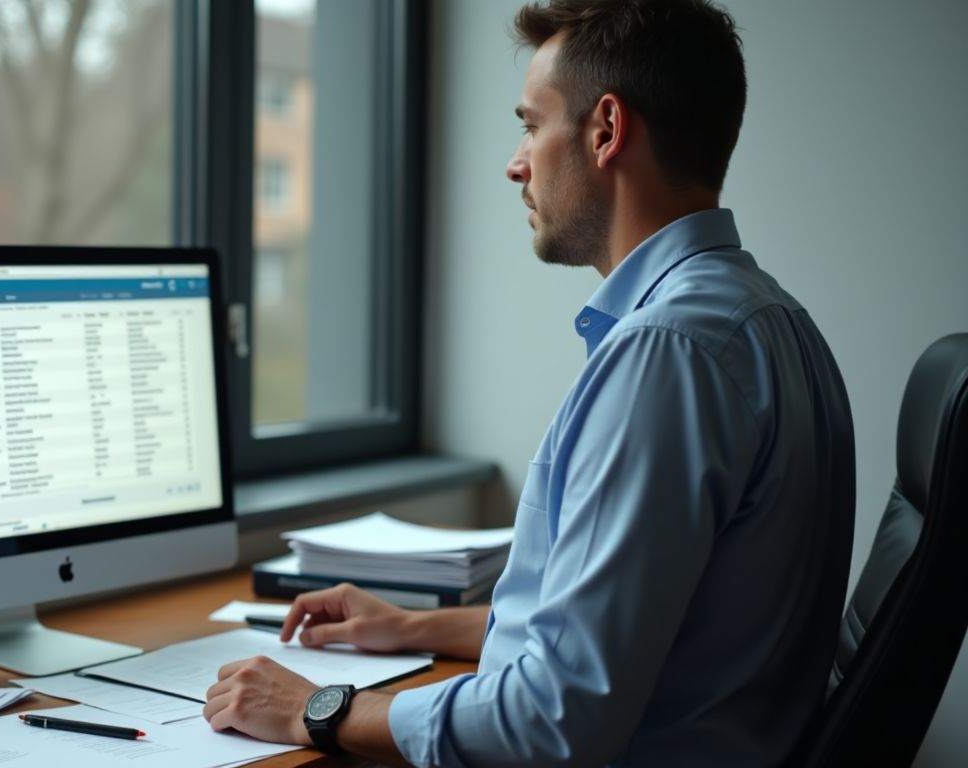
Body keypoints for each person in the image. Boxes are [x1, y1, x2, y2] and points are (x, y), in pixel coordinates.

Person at [202, 0, 856, 765]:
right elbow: (632, 627)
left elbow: (553, 717)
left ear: (606, 131)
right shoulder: (772, 321)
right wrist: (411, 628)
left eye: (531, 124)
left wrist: (317, 710)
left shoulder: (668, 356)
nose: (516, 163)